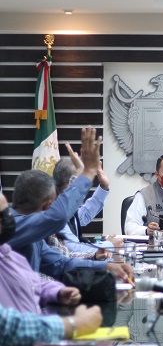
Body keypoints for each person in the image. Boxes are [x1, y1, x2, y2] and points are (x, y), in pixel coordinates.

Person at [7, 128, 134, 282]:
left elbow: (62, 263)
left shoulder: (34, 235)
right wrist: (88, 172)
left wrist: (106, 267)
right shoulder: (12, 228)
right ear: (47, 205)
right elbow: (58, 217)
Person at [0, 193, 81, 314]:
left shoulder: (8, 254)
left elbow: (28, 281)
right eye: (2, 215)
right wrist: (71, 323)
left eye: (7, 212)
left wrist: (57, 292)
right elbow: (11, 321)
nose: (8, 219)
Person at [52, 154, 122, 256]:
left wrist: (104, 186)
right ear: (70, 184)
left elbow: (83, 215)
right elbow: (74, 248)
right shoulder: (55, 213)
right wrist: (109, 244)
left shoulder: (66, 205)